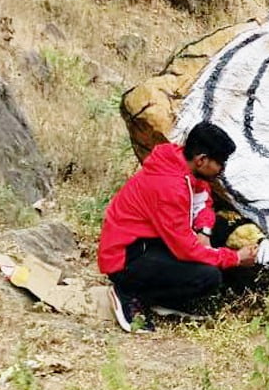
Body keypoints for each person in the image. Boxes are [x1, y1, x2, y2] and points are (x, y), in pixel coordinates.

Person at [98, 121, 258, 333]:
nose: (222, 170)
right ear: (202, 160)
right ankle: (129, 293)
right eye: (220, 163)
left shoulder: (181, 164)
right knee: (209, 277)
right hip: (127, 258)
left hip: (150, 242)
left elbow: (204, 202)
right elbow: (186, 249)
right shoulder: (170, 188)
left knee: (219, 227)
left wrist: (204, 231)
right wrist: (236, 258)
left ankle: (165, 299)